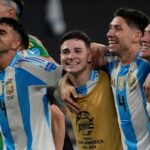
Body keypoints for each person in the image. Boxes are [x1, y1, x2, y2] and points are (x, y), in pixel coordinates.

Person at [60, 8, 150, 150]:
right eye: (110, 28)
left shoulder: (146, 63)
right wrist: (65, 83)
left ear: (137, 36)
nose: (109, 34)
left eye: (118, 29)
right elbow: (76, 67)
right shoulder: (111, 66)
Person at [0, 17, 63, 150]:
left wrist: (67, 85)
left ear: (16, 43)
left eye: (1, 33)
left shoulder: (27, 64)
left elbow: (62, 75)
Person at [60, 30, 122, 149]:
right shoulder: (61, 89)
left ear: (89, 56)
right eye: (65, 52)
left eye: (78, 51)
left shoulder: (110, 80)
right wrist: (64, 82)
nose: (71, 56)